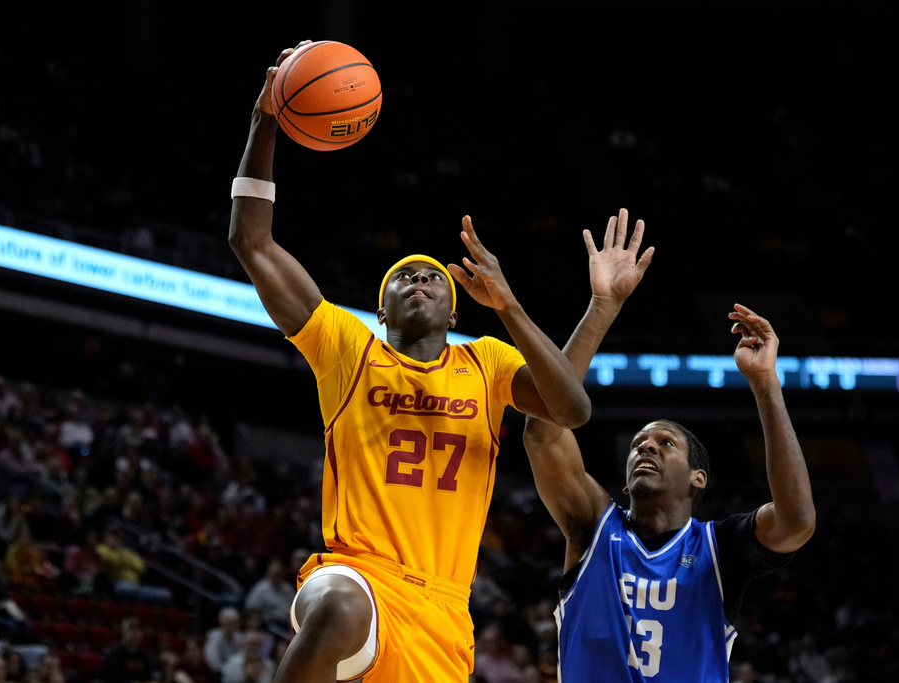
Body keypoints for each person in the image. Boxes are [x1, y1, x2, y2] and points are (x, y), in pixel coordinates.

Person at [227, 41, 592, 683]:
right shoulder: (348, 348)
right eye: (404, 278)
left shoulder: (486, 363)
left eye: (432, 277)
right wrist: (265, 123)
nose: (419, 280)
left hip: (443, 610)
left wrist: (508, 305)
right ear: (382, 307)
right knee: (336, 604)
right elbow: (250, 240)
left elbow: (572, 408)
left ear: (455, 312)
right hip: (357, 576)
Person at [521, 211, 816, 681]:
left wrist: (765, 386)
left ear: (698, 477)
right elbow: (543, 429)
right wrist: (602, 307)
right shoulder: (592, 525)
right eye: (639, 443)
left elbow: (797, 520)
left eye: (665, 443)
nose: (646, 448)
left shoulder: (719, 549)